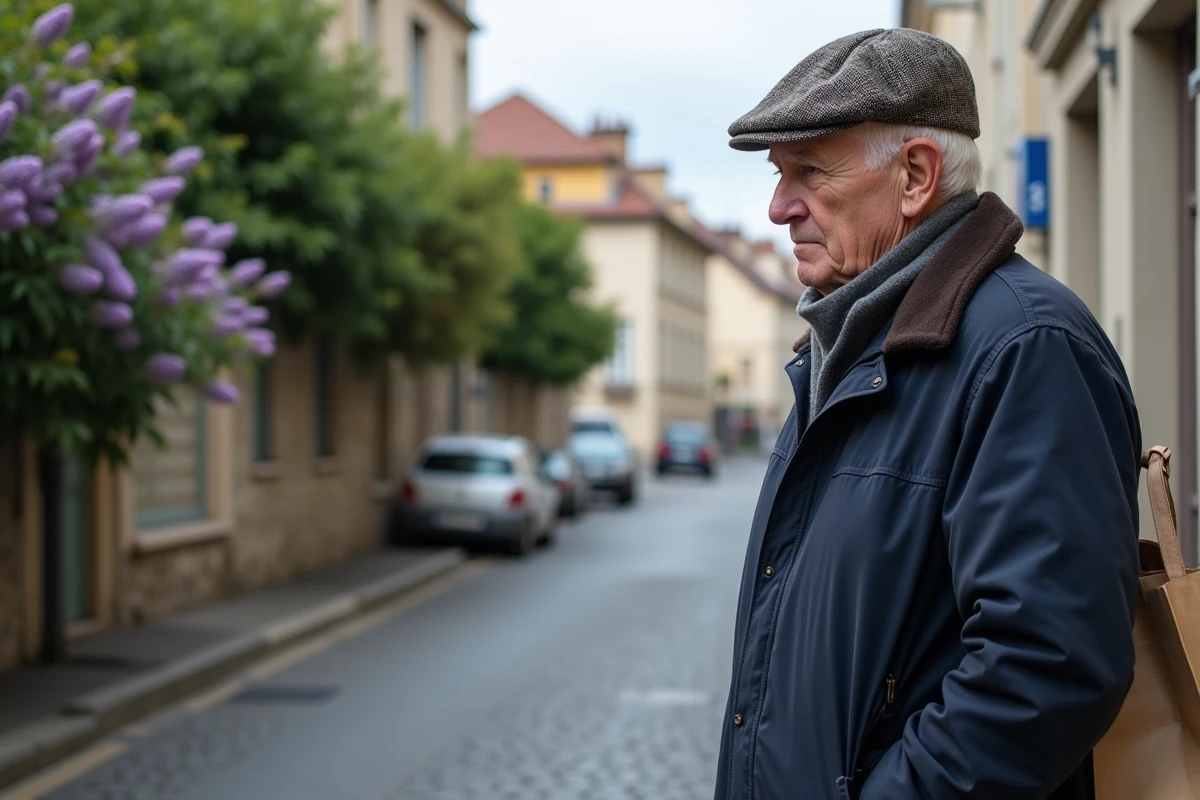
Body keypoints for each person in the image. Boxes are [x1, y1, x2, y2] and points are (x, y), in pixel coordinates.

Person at [714, 28, 1141, 799]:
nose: (779, 208)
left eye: (808, 170)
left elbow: (1045, 671)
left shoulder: (1023, 346)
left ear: (916, 175)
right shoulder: (847, 346)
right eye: (779, 176)